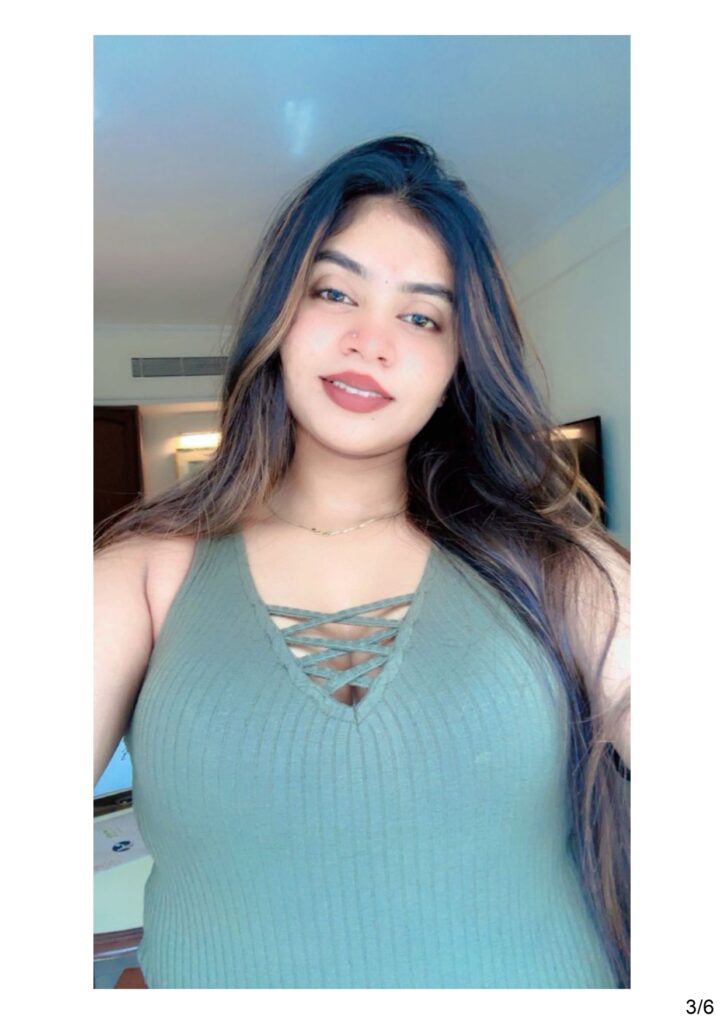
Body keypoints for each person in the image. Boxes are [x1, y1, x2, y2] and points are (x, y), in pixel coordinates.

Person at [94, 135, 630, 989]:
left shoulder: (562, 566)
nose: (369, 341)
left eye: (421, 317)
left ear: (459, 364)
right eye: (334, 291)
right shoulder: (142, 574)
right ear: (279, 317)